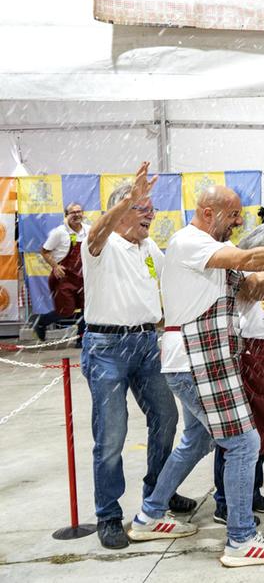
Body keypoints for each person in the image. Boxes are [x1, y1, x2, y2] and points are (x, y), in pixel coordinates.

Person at [131, 184, 264, 567]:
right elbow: (252, 259)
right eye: (234, 214)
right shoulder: (190, 241)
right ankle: (240, 538)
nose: (240, 221)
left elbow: (253, 287)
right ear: (208, 212)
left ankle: (149, 514)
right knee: (244, 443)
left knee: (195, 441)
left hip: (199, 361)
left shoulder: (211, 254)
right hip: (197, 360)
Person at [79, 163, 184, 550]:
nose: (151, 215)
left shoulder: (149, 247)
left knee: (167, 418)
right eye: (143, 208)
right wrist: (127, 198)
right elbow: (95, 233)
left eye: (150, 208)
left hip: (145, 344)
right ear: (121, 210)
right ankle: (108, 515)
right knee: (111, 435)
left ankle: (158, 494)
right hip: (106, 349)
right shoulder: (101, 245)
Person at [211, 222, 264, 524]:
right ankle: (225, 501)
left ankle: (251, 490)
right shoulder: (245, 272)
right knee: (239, 434)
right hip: (248, 352)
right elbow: (256, 290)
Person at [37, 202, 89, 340]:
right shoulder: (60, 232)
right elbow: (44, 251)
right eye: (73, 212)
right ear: (66, 215)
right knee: (66, 311)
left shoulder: (88, 230)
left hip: (83, 276)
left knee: (86, 308)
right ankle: (41, 322)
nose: (77, 215)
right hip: (64, 277)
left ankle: (81, 339)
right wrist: (55, 266)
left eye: (79, 211)